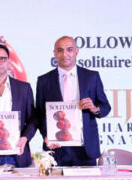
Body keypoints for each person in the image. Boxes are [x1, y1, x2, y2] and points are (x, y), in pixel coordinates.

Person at [35, 36, 111, 166]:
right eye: (60, 50)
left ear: (76, 51)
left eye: (69, 49)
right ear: (54, 53)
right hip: (56, 146)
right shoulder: (44, 80)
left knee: (89, 179)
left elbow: (105, 107)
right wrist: (46, 136)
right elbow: (40, 114)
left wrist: (94, 108)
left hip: (85, 147)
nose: (65, 54)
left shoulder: (91, 76)